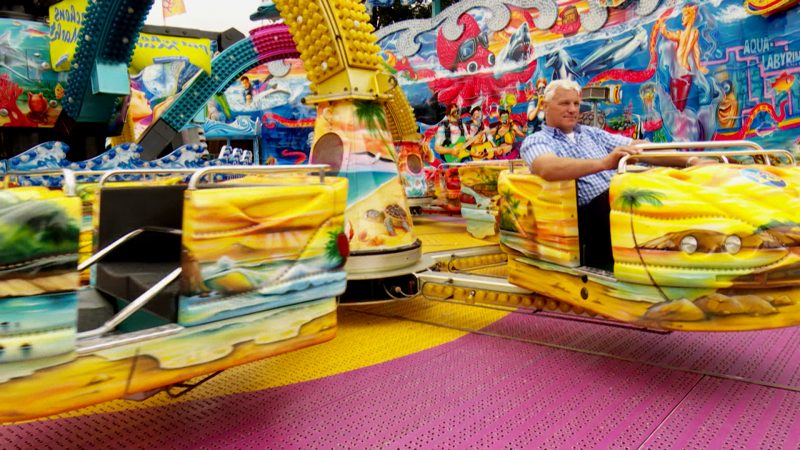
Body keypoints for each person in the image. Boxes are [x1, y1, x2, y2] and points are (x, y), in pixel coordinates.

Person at [520, 79, 705, 269]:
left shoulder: (592, 133)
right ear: (545, 105)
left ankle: (687, 251)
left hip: (617, 201)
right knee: (620, 196)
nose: (573, 109)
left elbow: (637, 147)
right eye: (564, 103)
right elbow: (547, 167)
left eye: (576, 103)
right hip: (588, 215)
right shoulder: (537, 140)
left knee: (659, 181)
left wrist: (690, 161)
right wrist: (604, 163)